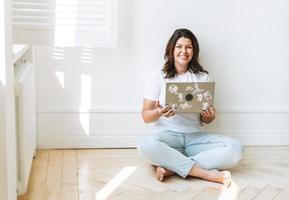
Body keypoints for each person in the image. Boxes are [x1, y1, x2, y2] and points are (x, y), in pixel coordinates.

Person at [137, 28, 243, 186]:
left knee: (235, 149)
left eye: (189, 47)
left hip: (195, 137)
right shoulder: (159, 76)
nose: (184, 51)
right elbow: (145, 116)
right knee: (144, 144)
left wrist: (209, 117)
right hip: (167, 138)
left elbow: (206, 119)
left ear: (194, 50)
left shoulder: (203, 77)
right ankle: (206, 174)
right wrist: (159, 112)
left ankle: (171, 167)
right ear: (172, 49)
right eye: (179, 46)